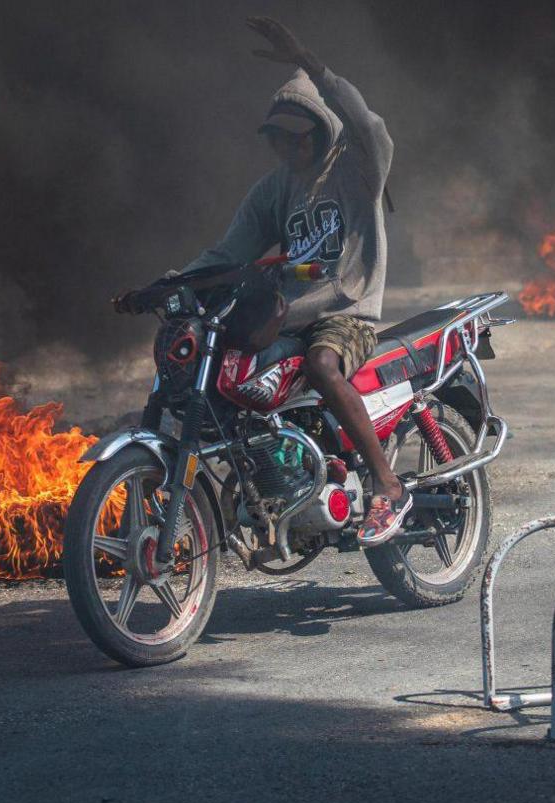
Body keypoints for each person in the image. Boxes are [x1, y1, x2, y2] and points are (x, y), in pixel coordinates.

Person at [173, 17, 408, 545]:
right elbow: (227, 252)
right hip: (288, 315)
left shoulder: (358, 169)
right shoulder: (272, 190)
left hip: (345, 314)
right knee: (231, 372)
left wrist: (312, 64)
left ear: (325, 126)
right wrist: (171, 283)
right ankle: (275, 483)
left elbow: (367, 123)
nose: (289, 147)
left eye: (299, 136)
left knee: (324, 364)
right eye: (279, 137)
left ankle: (386, 484)